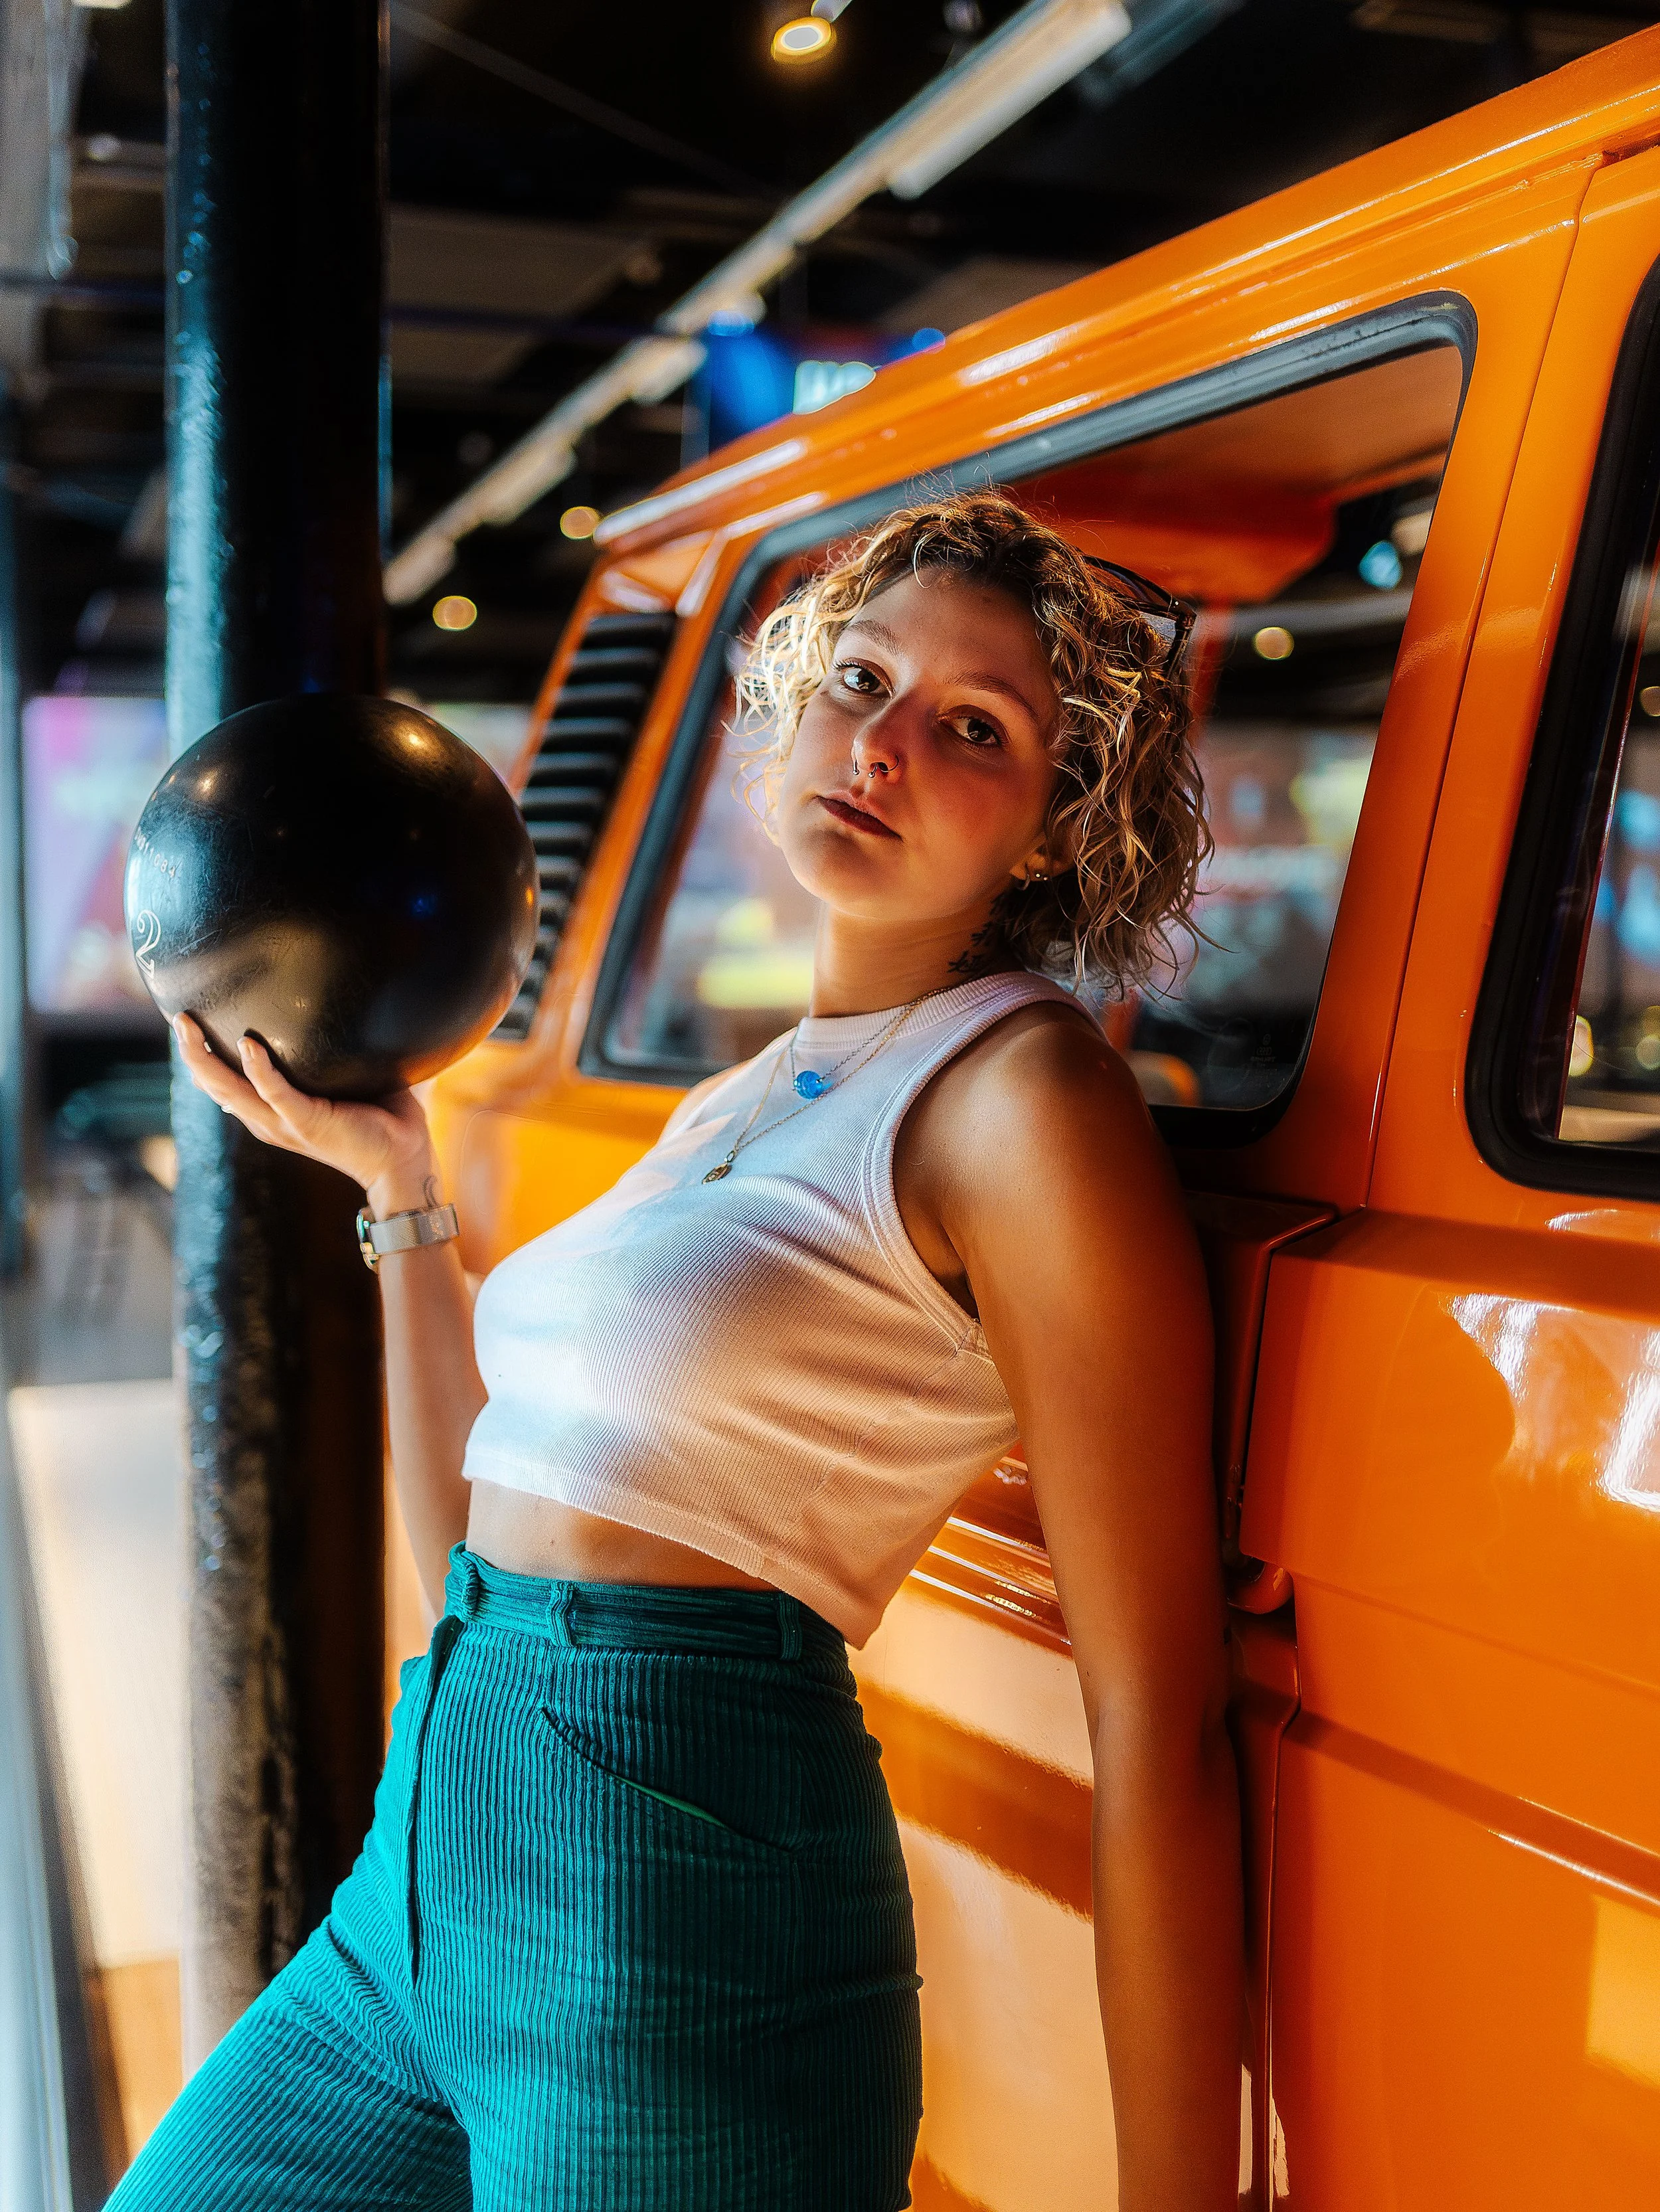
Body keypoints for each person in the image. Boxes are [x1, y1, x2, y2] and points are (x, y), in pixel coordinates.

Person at [115, 491, 1242, 2212]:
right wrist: (398, 1187)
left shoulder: (1024, 1103)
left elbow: (1155, 1712)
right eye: (857, 675)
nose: (876, 742)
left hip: (679, 1930)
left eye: (972, 728)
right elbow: (485, 1535)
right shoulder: (747, 1092)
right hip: (429, 1865)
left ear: (1048, 831)